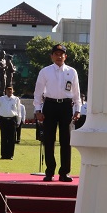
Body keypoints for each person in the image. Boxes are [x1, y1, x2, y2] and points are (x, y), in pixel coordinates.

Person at [32, 44, 81, 182]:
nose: (59, 56)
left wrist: (77, 109)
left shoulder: (72, 72)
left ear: (66, 56)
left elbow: (76, 92)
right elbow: (38, 92)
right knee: (49, 140)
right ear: (52, 56)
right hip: (50, 105)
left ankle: (64, 172)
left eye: (62, 54)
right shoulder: (45, 71)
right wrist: (38, 110)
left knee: (66, 140)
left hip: (65, 106)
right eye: (56, 54)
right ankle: (49, 171)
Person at [0, 85, 20, 160]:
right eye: (8, 90)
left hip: (12, 120)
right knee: (4, 138)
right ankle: (3, 155)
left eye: (11, 90)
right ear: (5, 91)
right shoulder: (2, 99)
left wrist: (19, 121)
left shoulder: (16, 99)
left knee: (12, 138)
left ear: (13, 91)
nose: (9, 91)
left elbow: (18, 111)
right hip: (3, 120)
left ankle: (10, 155)